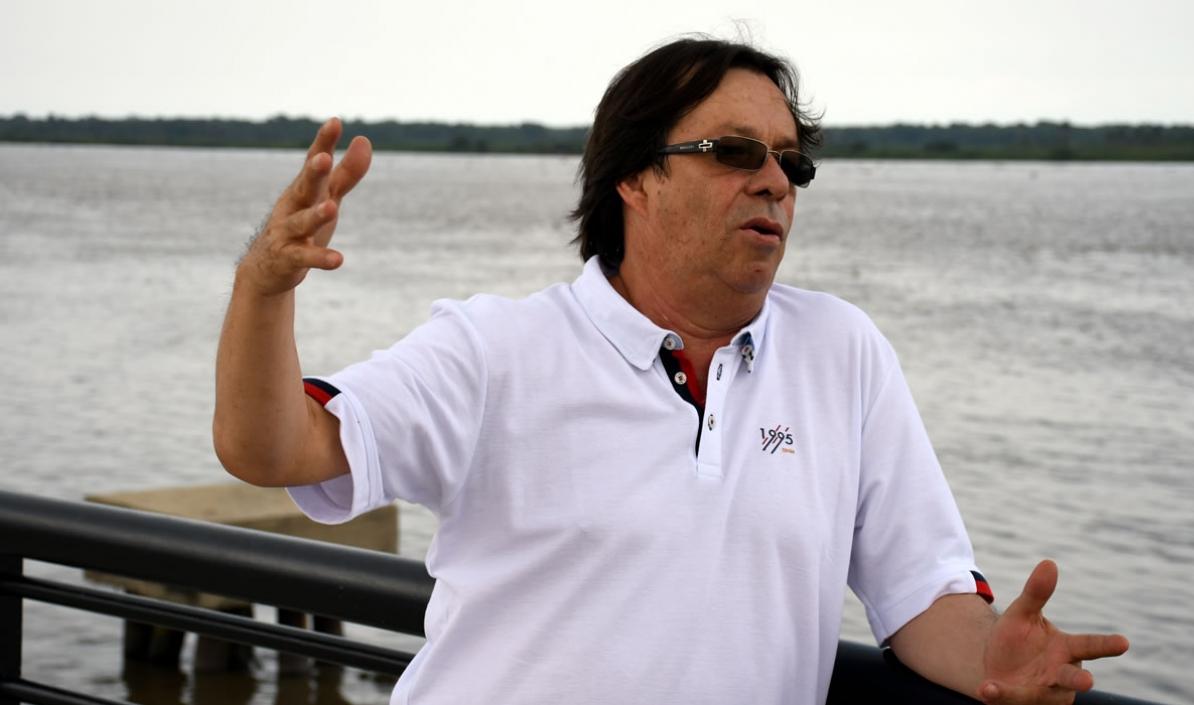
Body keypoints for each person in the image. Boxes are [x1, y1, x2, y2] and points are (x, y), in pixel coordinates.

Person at [214, 37, 1128, 705]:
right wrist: (264, 286)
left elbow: (922, 590)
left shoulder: (842, 354)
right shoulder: (496, 350)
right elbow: (270, 447)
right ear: (635, 177)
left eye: (789, 161)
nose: (774, 179)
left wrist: (992, 661)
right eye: (735, 152)